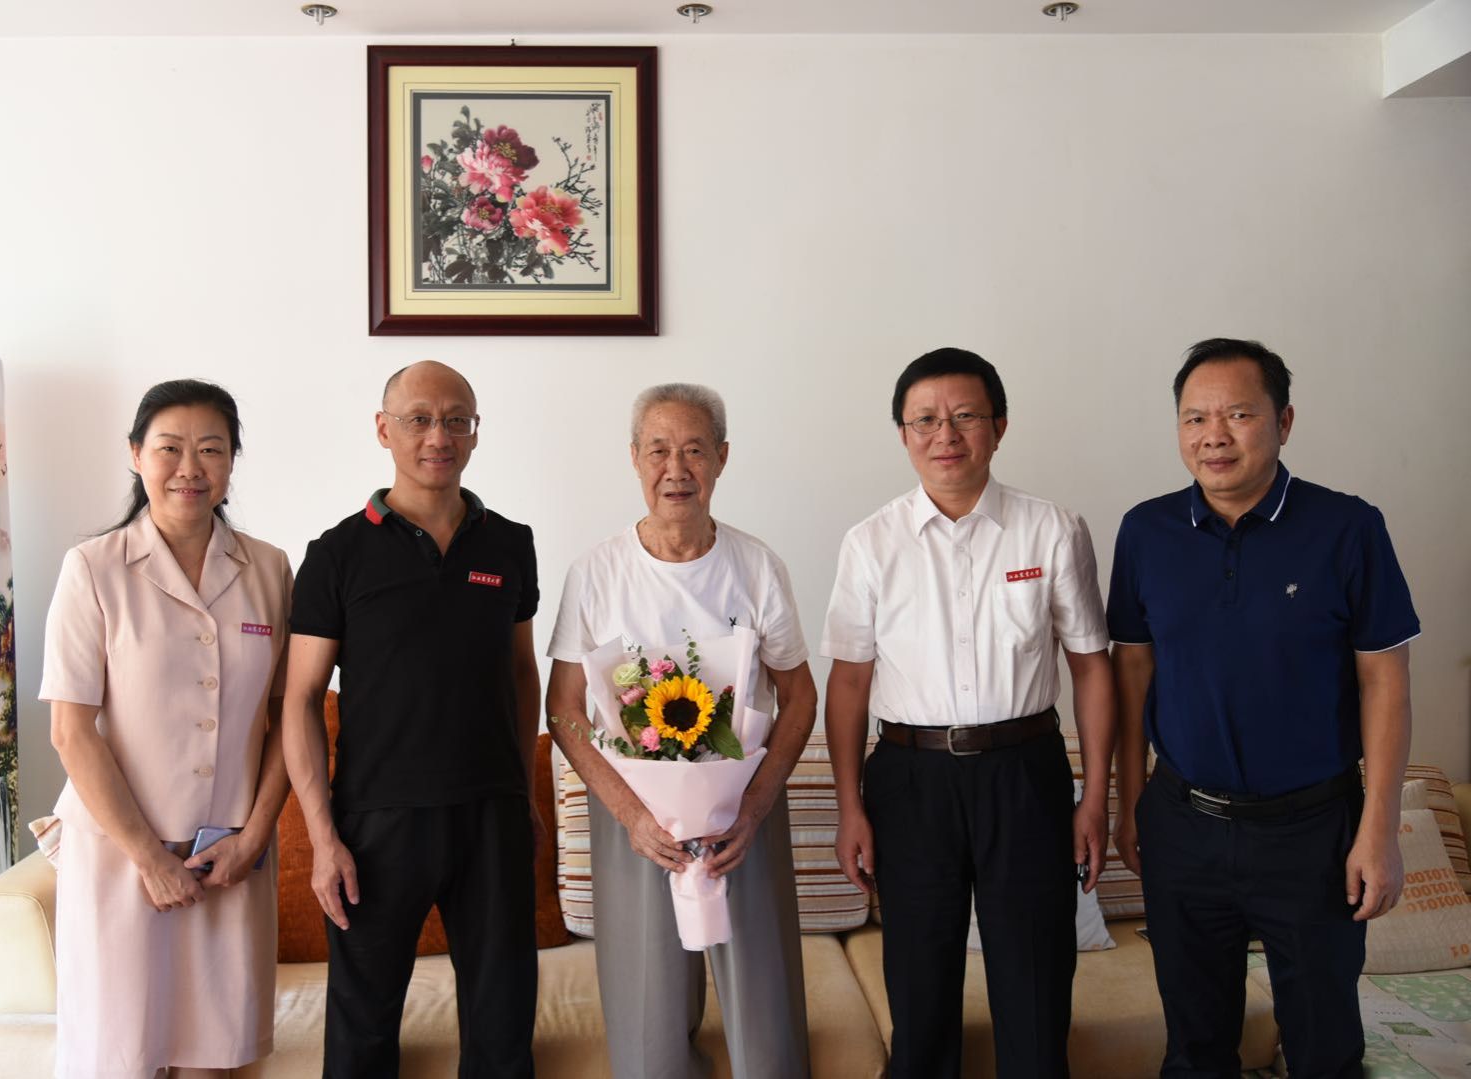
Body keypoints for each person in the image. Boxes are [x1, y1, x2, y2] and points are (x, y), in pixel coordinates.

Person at [1108, 338, 1418, 1078]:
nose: (1214, 436)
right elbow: (1132, 672)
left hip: (1312, 832)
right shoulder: (1146, 531)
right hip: (1183, 823)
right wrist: (1129, 798)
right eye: (1195, 418)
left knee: (1323, 1048)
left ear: (1283, 421)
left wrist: (1379, 832)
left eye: (1238, 415)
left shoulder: (1348, 527)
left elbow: (1385, 682)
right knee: (1195, 1048)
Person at [821, 347, 1116, 1079]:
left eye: (964, 417)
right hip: (910, 780)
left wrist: (1095, 796)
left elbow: (1091, 666)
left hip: (1025, 773)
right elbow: (849, 683)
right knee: (919, 991)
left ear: (999, 426)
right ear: (903, 434)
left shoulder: (1052, 529)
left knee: (1036, 984)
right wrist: (850, 807)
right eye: (925, 419)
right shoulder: (870, 543)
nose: (945, 434)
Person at [546, 382, 817, 1079]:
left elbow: (800, 696)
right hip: (635, 818)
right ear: (635, 458)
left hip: (743, 810)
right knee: (649, 1029)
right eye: (659, 450)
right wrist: (631, 814)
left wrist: (754, 805)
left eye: (694, 450)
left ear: (722, 458)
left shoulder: (757, 566)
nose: (677, 468)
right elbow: (565, 708)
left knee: (767, 1016)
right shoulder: (596, 571)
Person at [281, 361, 541, 1079]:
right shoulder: (337, 553)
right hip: (376, 822)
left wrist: (521, 792)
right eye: (420, 419)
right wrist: (323, 837)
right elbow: (300, 698)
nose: (439, 436)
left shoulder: (510, 543)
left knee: (503, 1029)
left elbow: (522, 672)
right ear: (383, 429)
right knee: (362, 1034)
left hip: (491, 814)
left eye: (457, 420)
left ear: (475, 432)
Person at [42, 379, 293, 1079]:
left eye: (211, 449)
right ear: (136, 455)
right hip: (121, 857)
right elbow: (71, 731)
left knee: (214, 1059)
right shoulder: (93, 569)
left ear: (232, 461)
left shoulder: (269, 568)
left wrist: (254, 837)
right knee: (120, 1055)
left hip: (227, 861)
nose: (190, 467)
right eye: (169, 448)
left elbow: (286, 719)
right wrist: (149, 858)